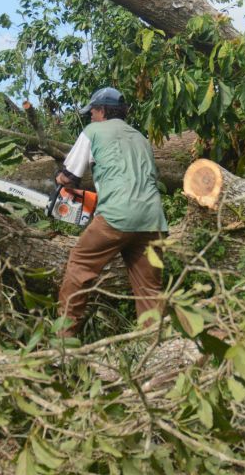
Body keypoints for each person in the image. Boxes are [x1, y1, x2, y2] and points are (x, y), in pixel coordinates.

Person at [55, 87, 168, 336]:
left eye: (92, 112)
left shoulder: (93, 131)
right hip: (153, 220)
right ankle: (155, 350)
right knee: (149, 290)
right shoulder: (140, 137)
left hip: (117, 217)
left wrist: (60, 179)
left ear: (103, 110)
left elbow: (70, 176)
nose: (91, 117)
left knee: (79, 266)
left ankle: (63, 342)